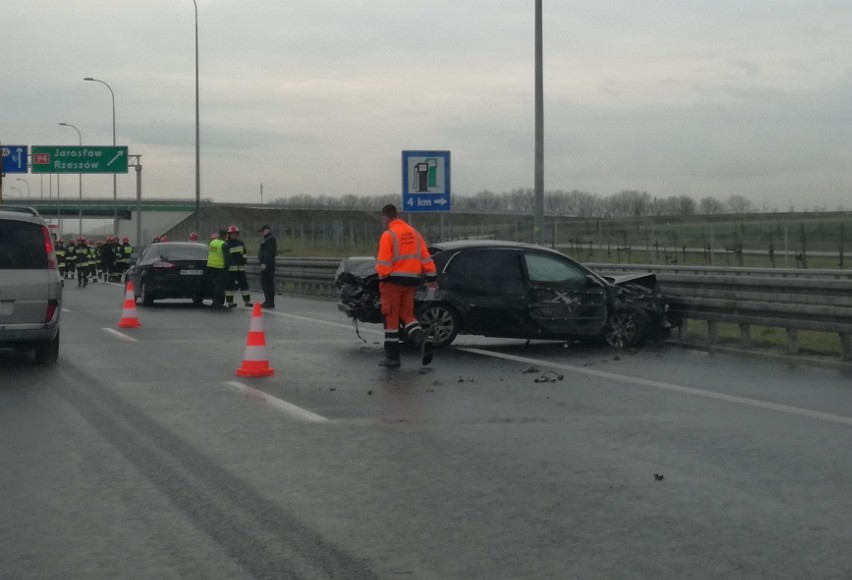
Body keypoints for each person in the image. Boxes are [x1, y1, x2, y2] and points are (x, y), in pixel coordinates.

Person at [375, 204, 438, 368]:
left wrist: (383, 276)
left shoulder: (388, 235)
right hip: (412, 281)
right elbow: (425, 256)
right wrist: (431, 275)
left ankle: (393, 357)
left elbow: (383, 262)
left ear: (386, 217)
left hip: (393, 282)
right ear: (398, 215)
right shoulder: (415, 234)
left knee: (391, 318)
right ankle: (422, 342)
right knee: (408, 315)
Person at [224, 225, 252, 307]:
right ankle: (230, 302)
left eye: (235, 234)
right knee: (229, 287)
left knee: (244, 285)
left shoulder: (240, 243)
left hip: (240, 269)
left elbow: (245, 253)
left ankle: (247, 301)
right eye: (232, 234)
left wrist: (243, 260)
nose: (234, 235)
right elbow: (226, 257)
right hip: (231, 270)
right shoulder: (226, 244)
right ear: (229, 234)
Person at [206, 229, 229, 310]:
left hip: (211, 266)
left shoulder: (213, 242)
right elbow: (227, 257)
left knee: (215, 285)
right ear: (225, 235)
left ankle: (214, 302)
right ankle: (217, 303)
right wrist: (227, 267)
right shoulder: (223, 244)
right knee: (220, 287)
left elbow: (211, 253)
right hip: (220, 267)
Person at [257, 224, 277, 308]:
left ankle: (270, 301)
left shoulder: (270, 239)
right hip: (266, 264)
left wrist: (265, 263)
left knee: (267, 283)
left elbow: (269, 252)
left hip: (267, 265)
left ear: (266, 230)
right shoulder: (267, 239)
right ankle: (268, 300)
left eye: (262, 231)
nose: (261, 233)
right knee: (265, 283)